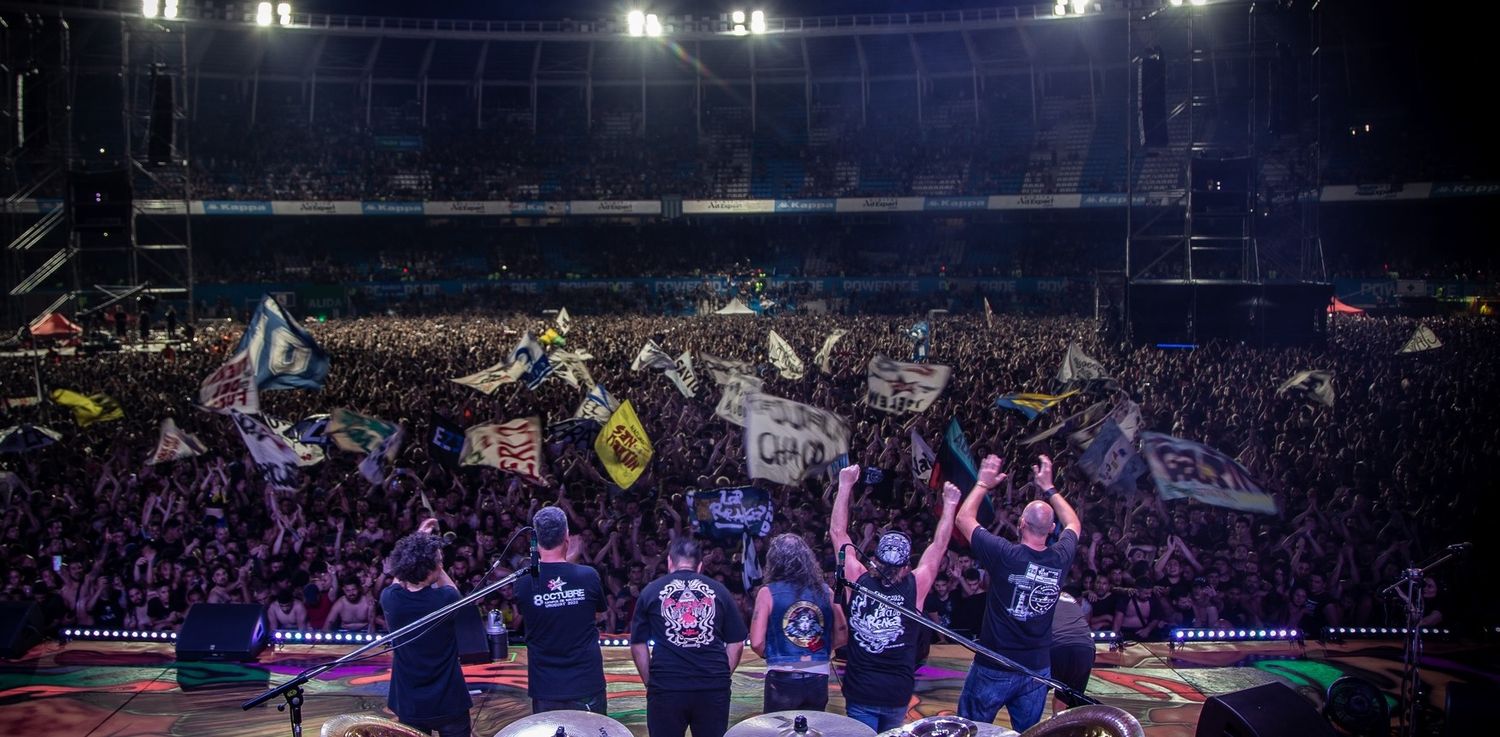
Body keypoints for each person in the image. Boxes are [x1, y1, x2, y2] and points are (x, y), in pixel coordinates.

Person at [831, 463, 963, 732]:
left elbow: (837, 533)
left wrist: (845, 485)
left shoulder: (857, 578)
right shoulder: (916, 585)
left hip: (862, 691)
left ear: (875, 560)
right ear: (906, 566)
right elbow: (939, 546)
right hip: (896, 694)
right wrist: (949, 504)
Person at [954, 454, 1081, 731]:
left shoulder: (1005, 554)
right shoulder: (1060, 557)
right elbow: (1074, 523)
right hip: (1036, 668)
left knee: (970, 727)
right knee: (1027, 732)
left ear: (1021, 523)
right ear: (1051, 530)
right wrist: (1049, 488)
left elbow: (964, 519)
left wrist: (983, 484)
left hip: (994, 665)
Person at [630, 538, 747, 737]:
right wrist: (720, 676)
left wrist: (651, 682)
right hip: (712, 688)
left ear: (669, 562)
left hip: (666, 688)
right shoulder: (720, 591)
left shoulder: (651, 591)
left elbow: (638, 643)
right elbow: (736, 642)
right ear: (700, 565)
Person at [380, 519, 473, 737]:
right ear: (433, 568)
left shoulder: (390, 598)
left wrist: (418, 543)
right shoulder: (446, 598)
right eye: (440, 561)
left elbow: (401, 575)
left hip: (410, 702)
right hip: (448, 700)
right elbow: (454, 592)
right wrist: (434, 560)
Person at [514, 506, 608, 714]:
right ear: (567, 535)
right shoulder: (588, 576)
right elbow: (599, 613)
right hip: (586, 683)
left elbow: (532, 613)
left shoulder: (523, 583)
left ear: (535, 540)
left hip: (546, 687)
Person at [749, 532, 847, 713]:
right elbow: (842, 634)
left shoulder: (767, 593)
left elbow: (756, 642)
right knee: (811, 729)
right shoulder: (827, 591)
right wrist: (818, 648)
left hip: (782, 673)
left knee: (779, 730)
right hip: (818, 673)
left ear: (774, 561)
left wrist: (776, 653)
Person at [1048, 590, 1095, 710]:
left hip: (1060, 646)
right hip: (1086, 648)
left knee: (1035, 690)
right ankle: (1067, 727)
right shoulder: (1069, 597)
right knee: (1071, 696)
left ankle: (1049, 726)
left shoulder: (1041, 597)